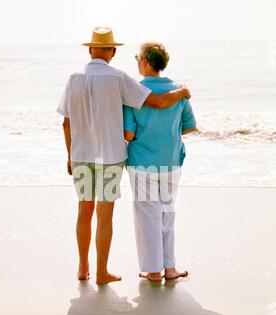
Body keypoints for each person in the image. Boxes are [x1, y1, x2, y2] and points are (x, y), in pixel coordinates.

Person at [57, 27, 191, 285]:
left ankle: (83, 268)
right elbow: (158, 102)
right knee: (104, 215)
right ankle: (101, 273)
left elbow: (66, 122)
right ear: (113, 51)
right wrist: (182, 92)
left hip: (81, 155)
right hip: (109, 157)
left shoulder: (73, 78)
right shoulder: (118, 78)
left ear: (90, 49)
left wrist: (69, 156)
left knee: (84, 211)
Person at [123, 41, 197, 283]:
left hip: (142, 161)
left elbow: (129, 134)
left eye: (137, 58)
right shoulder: (180, 90)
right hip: (171, 160)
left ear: (144, 62)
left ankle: (153, 270)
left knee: (147, 215)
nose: (137, 63)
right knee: (167, 213)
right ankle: (170, 268)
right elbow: (190, 127)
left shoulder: (135, 91)